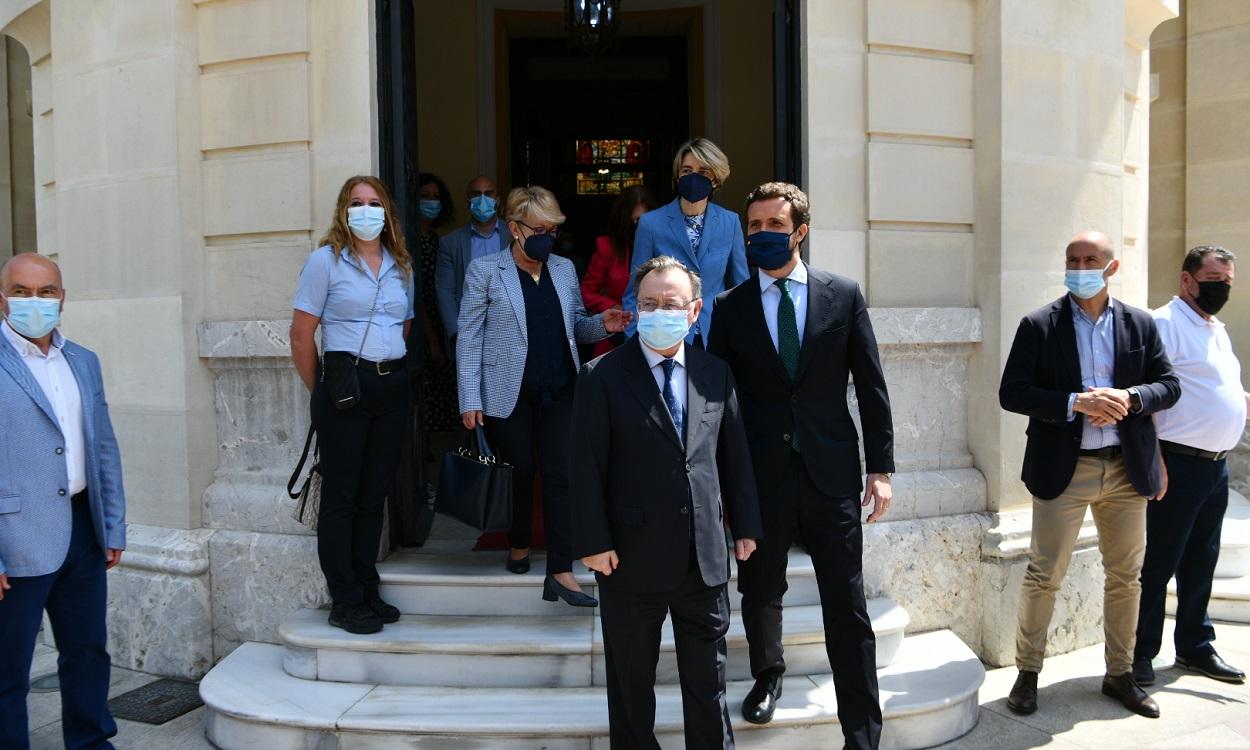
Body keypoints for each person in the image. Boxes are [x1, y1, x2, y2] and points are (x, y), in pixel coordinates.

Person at [707, 183, 894, 749]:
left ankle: (861, 730)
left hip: (830, 472)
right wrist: (719, 485)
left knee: (847, 604)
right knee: (761, 590)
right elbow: (717, 400)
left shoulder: (844, 294)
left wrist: (880, 469)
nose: (762, 234)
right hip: (761, 478)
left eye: (773, 225)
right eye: (754, 226)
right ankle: (768, 675)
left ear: (800, 231)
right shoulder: (729, 307)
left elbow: (871, 383)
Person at [571, 255, 763, 749]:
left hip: (703, 561)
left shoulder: (714, 372)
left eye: (671, 304)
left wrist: (745, 526)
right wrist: (592, 542)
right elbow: (584, 467)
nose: (661, 311)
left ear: (694, 310)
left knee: (708, 687)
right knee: (632, 692)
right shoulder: (602, 375)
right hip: (628, 563)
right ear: (635, 308)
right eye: (650, 303)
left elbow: (733, 454)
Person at [999, 231, 1180, 719]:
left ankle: (1119, 674)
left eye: (1090, 259)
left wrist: (1131, 398)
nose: (1080, 266)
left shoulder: (1140, 324)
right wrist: (1076, 402)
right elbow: (1012, 392)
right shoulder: (1039, 324)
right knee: (1044, 574)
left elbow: (1169, 385)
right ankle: (1027, 673)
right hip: (1065, 469)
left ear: (1111, 267)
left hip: (1126, 470)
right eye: (1073, 259)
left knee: (1127, 577)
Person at [456, 185, 629, 602]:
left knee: (561, 475)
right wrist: (470, 398)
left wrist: (603, 324)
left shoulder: (565, 269)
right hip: (505, 391)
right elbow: (469, 336)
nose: (547, 237)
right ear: (514, 228)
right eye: (539, 228)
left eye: (552, 229)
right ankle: (517, 541)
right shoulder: (485, 271)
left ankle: (560, 570)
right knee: (520, 470)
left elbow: (575, 328)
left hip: (561, 388)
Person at [0, 253, 126, 750]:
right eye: (22, 292)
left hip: (82, 529)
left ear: (63, 298)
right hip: (16, 538)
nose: (36, 302)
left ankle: (92, 743)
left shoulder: (83, 361)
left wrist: (111, 525)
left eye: (46, 292)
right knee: (8, 668)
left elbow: (103, 447)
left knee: (88, 652)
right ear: (2, 298)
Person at [291, 175, 415, 635]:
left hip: (391, 386)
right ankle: (344, 599)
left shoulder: (401, 265)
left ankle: (366, 586)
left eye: (374, 202)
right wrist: (321, 391)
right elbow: (302, 335)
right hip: (346, 387)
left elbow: (404, 325)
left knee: (373, 495)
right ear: (344, 211)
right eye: (357, 202)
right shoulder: (325, 262)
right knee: (341, 497)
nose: (366, 210)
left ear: (387, 212)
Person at [1134, 245, 1247, 687]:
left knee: (1203, 559)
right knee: (1158, 564)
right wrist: (1155, 461)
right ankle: (1140, 654)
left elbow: (1217, 389)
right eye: (1214, 280)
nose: (1221, 289)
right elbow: (1141, 397)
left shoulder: (1216, 328)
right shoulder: (1163, 323)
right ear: (1187, 280)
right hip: (1176, 463)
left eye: (1228, 283)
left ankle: (1195, 646)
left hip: (1216, 466)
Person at [620, 138, 748, 347]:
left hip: (716, 336)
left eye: (703, 171)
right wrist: (637, 339)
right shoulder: (651, 223)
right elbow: (634, 289)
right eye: (686, 170)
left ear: (716, 178)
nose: (693, 177)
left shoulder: (729, 222)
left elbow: (740, 288)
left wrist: (740, 337)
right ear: (678, 175)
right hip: (663, 336)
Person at [582, 186, 659, 358]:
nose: (636, 228)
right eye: (632, 222)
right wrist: (613, 306)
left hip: (655, 333)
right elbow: (586, 292)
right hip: (615, 336)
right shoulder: (607, 247)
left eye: (641, 222)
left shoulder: (661, 248)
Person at [435, 175, 510, 347]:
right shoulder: (450, 243)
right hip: (468, 330)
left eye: (488, 193)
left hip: (508, 329)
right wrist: (455, 333)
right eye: (476, 194)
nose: (482, 198)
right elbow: (445, 290)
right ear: (468, 200)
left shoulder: (514, 236)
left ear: (498, 200)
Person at [415, 172, 459, 433]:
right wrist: (432, 339)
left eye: (435, 197)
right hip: (422, 325)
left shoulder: (435, 240)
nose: (431, 202)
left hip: (441, 321)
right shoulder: (409, 241)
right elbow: (415, 293)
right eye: (424, 196)